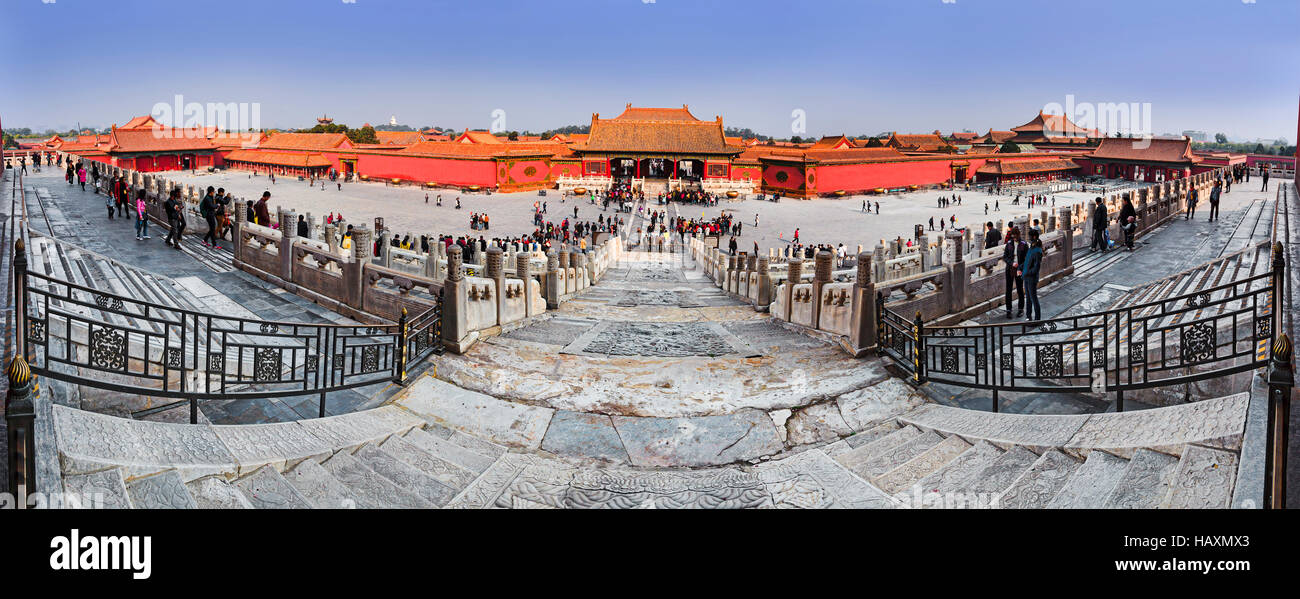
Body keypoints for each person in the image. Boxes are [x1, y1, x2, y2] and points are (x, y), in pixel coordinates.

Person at [1003, 227, 1027, 319]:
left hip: (1019, 269)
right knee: (1008, 290)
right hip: (1010, 269)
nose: (1014, 239)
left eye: (1016, 237)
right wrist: (1011, 263)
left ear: (1019, 235)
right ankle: (1008, 310)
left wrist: (1020, 267)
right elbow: (1005, 257)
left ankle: (1020, 309)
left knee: (1020, 289)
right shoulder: (1009, 244)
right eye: (1013, 237)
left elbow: (1027, 258)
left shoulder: (1024, 244)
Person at [1022, 231, 1043, 322]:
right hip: (1026, 277)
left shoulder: (1038, 251)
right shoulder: (1031, 248)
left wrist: (1027, 272)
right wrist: (1020, 268)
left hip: (1032, 278)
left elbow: (1036, 268)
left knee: (1033, 298)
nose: (1029, 238)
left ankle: (1037, 319)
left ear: (1034, 237)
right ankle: (1028, 316)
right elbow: (1027, 261)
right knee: (1028, 298)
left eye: (1030, 236)